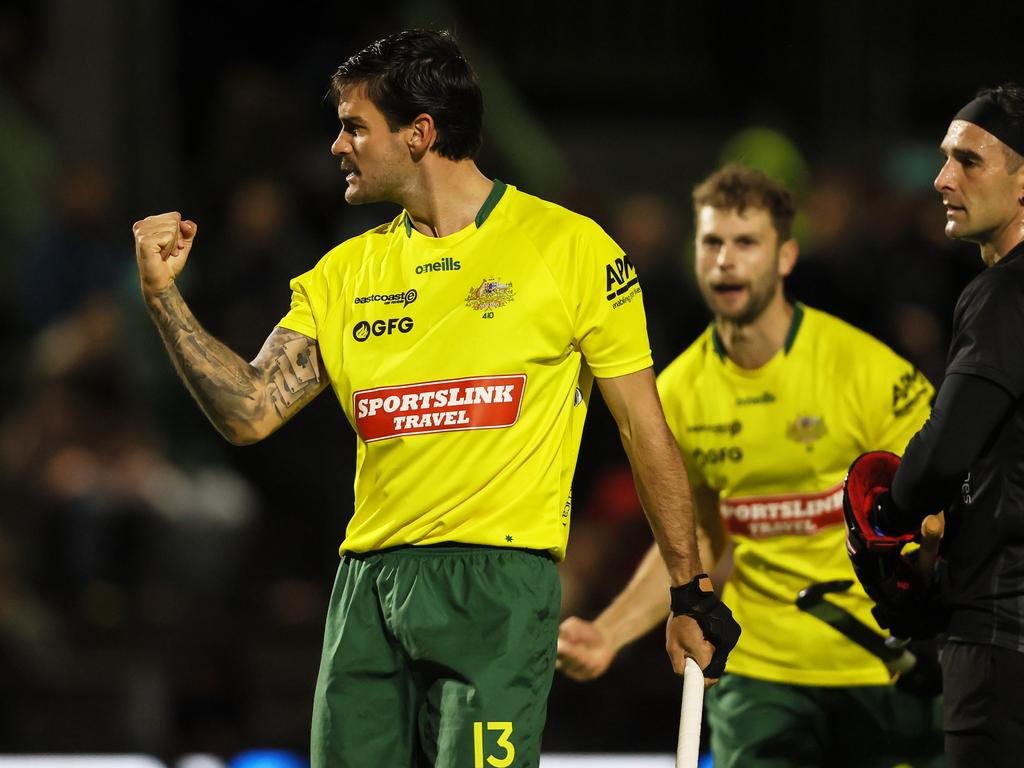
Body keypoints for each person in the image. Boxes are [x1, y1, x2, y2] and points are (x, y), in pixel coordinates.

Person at [130, 29, 738, 768]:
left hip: (498, 584)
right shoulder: (343, 273)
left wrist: (689, 589)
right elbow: (250, 411)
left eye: (355, 126)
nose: (335, 146)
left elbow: (646, 432)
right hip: (368, 587)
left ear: (420, 133)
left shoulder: (573, 251)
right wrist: (165, 299)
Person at [557, 163, 944, 767]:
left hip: (879, 665)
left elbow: (936, 511)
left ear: (785, 256)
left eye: (746, 243)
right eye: (712, 242)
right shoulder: (678, 392)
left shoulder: (866, 370)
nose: (725, 260)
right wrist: (608, 632)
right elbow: (691, 540)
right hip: (760, 675)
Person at [844, 83, 1024, 767]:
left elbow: (940, 461)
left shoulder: (1004, 292)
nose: (941, 178)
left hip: (1004, 636)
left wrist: (897, 506)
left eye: (969, 161)